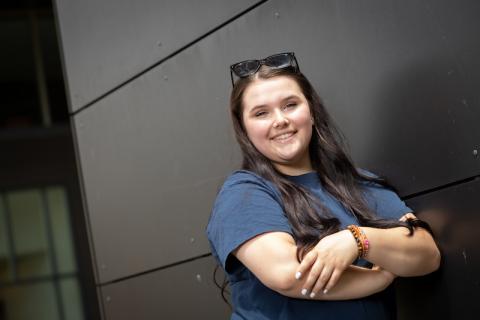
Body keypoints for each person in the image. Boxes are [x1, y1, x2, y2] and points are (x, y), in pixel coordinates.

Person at [206, 52, 440, 320]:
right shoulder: (244, 192)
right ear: (245, 129)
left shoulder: (356, 183)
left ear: (312, 112)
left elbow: (426, 254)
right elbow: (289, 274)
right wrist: (383, 275)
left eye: (290, 105)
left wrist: (358, 240)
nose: (279, 120)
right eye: (261, 113)